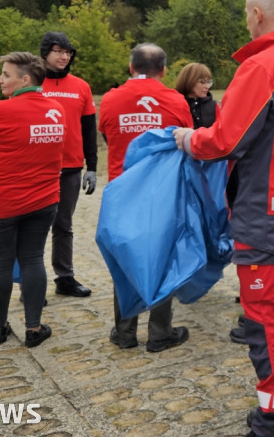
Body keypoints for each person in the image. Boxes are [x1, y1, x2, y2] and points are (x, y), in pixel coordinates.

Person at [173, 0, 274, 437]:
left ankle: (273, 420)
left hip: (262, 214)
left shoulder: (263, 68)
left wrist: (187, 138)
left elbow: (224, 140)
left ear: (256, 14)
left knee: (264, 319)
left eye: (245, 13)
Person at [99, 43, 193, 352]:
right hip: (162, 195)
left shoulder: (111, 99)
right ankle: (159, 333)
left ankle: (124, 331)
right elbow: (187, 141)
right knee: (162, 258)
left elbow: (107, 135)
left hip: (122, 192)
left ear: (130, 67)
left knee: (124, 258)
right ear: (164, 70)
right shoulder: (176, 100)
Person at [0, 51, 63, 349]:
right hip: (43, 199)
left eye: (6, 75)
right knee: (33, 259)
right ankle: (34, 329)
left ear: (25, 79)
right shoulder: (57, 110)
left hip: (0, 202)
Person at [40, 31, 97, 298]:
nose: (64, 56)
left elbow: (89, 130)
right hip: (37, 168)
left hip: (71, 167)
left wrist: (93, 167)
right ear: (45, 53)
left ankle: (65, 277)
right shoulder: (31, 83)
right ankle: (31, 281)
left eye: (68, 52)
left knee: (63, 225)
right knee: (33, 226)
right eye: (58, 51)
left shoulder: (81, 86)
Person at [175, 62, 221, 129]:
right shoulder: (174, 104)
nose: (207, 86)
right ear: (189, 81)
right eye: (202, 82)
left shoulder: (214, 106)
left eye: (209, 82)